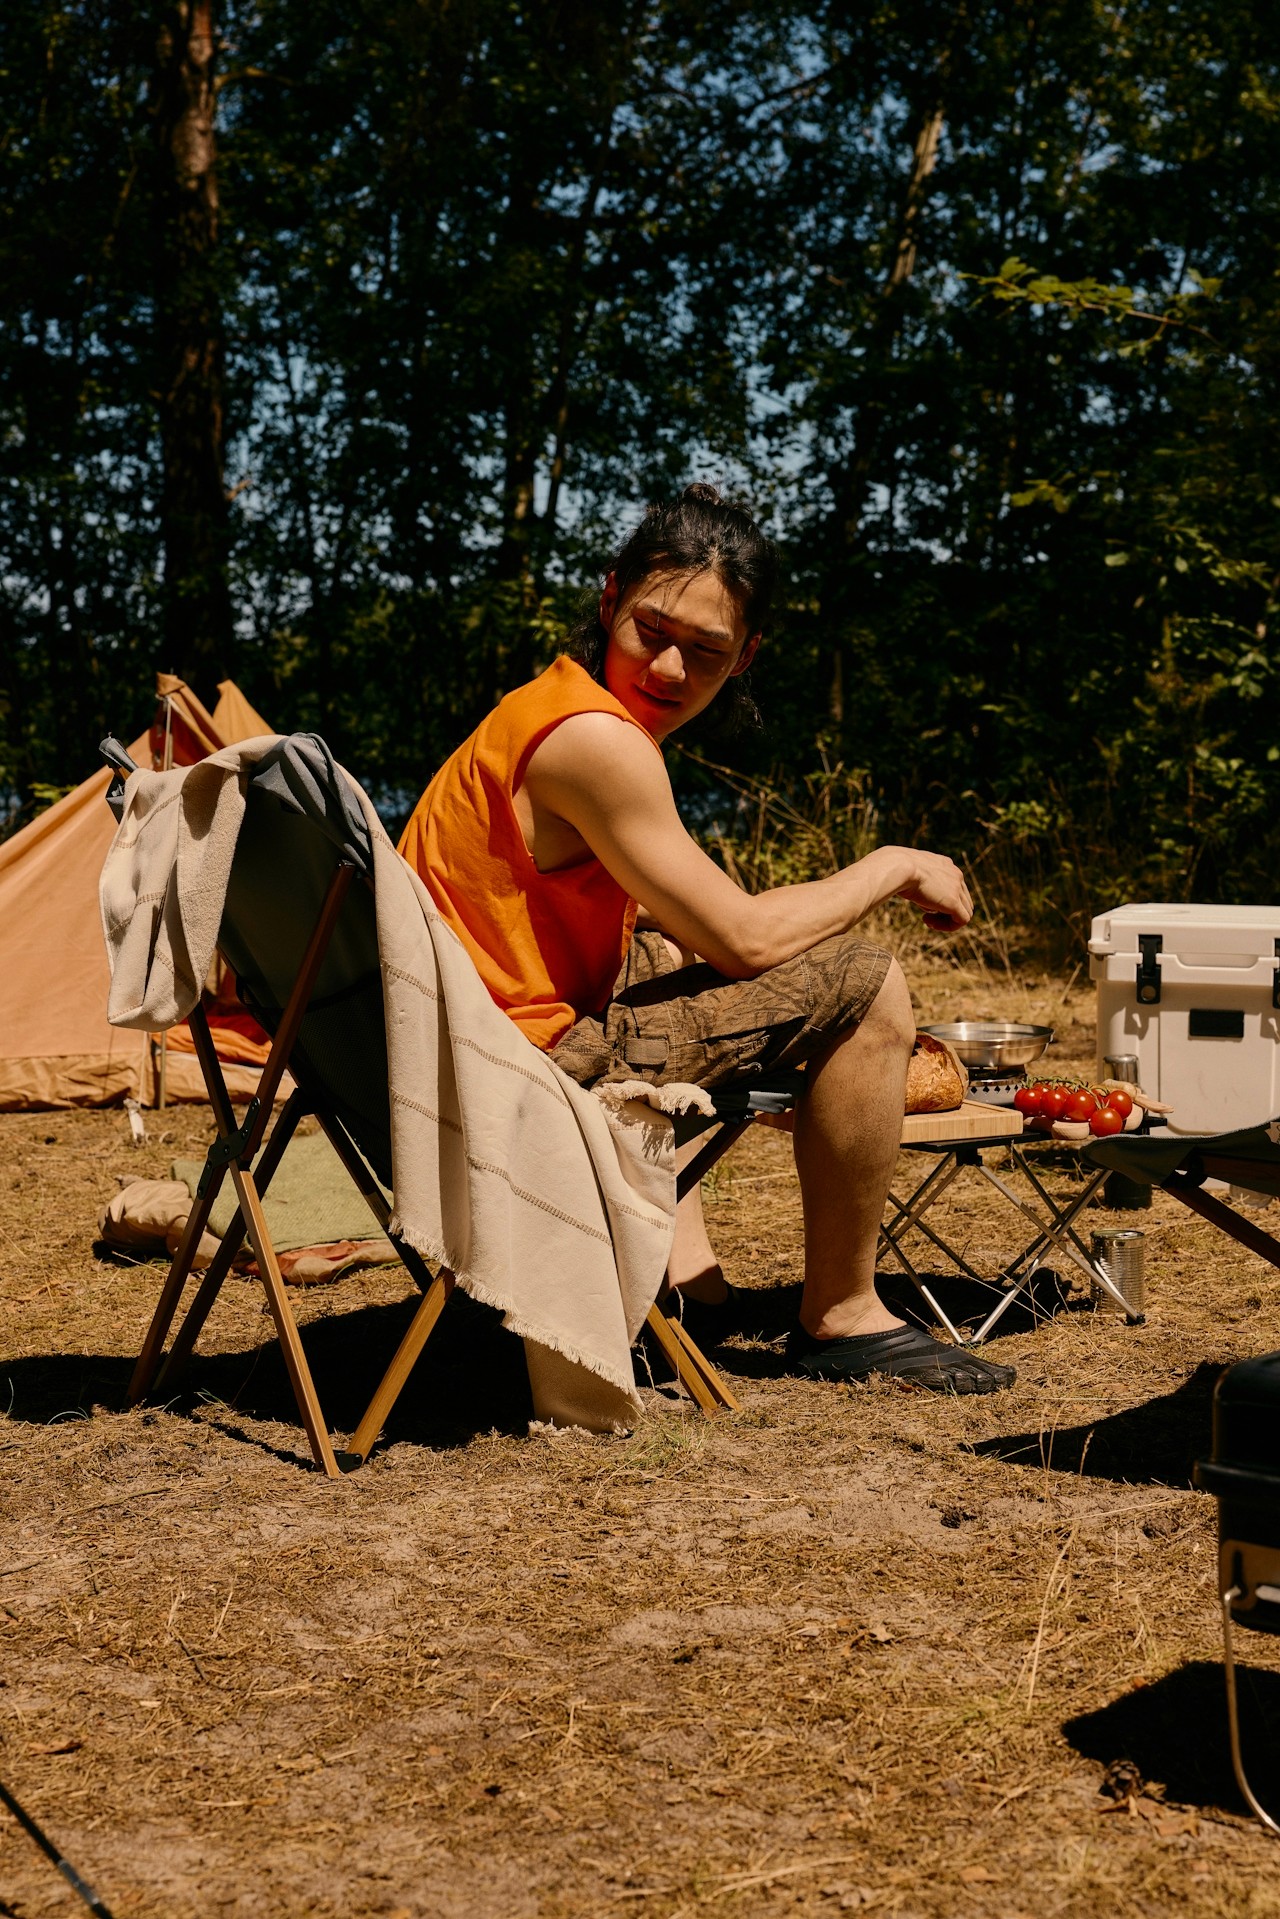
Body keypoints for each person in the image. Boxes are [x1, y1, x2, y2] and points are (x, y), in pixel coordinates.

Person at [399, 485, 1014, 1393]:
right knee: (868, 981)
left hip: (451, 1042)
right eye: (653, 631)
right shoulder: (597, 743)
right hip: (519, 1060)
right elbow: (746, 939)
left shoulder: (544, 705)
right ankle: (842, 1315)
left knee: (664, 949)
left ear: (746, 656)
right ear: (609, 601)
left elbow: (659, 919)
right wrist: (893, 863)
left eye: (708, 652)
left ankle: (689, 1280)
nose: (673, 671)